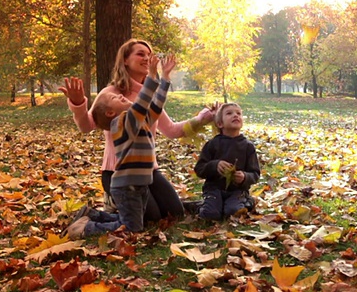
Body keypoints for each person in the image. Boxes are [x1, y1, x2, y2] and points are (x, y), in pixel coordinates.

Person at [58, 39, 216, 221]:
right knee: (151, 218)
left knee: (175, 213)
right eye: (140, 54)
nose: (146, 58)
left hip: (147, 170)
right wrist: (78, 103)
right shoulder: (111, 94)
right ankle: (108, 206)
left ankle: (176, 203)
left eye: (149, 55)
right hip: (117, 173)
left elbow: (171, 130)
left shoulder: (151, 94)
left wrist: (201, 119)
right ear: (125, 60)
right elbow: (87, 126)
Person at [65, 54, 175, 238]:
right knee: (132, 227)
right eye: (116, 99)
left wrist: (165, 78)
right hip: (126, 185)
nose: (122, 98)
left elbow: (156, 105)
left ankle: (92, 214)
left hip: (140, 183)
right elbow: (142, 103)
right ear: (110, 112)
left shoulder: (138, 120)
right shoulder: (122, 123)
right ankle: (86, 228)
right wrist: (152, 75)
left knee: (136, 221)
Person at [194, 103, 260, 220]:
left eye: (238, 113)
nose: (235, 115)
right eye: (229, 113)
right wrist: (214, 165)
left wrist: (244, 177)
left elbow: (255, 174)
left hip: (237, 191)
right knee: (210, 214)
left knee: (233, 212)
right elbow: (199, 169)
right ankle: (199, 206)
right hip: (214, 188)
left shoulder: (247, 146)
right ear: (220, 124)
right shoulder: (212, 144)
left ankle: (247, 201)